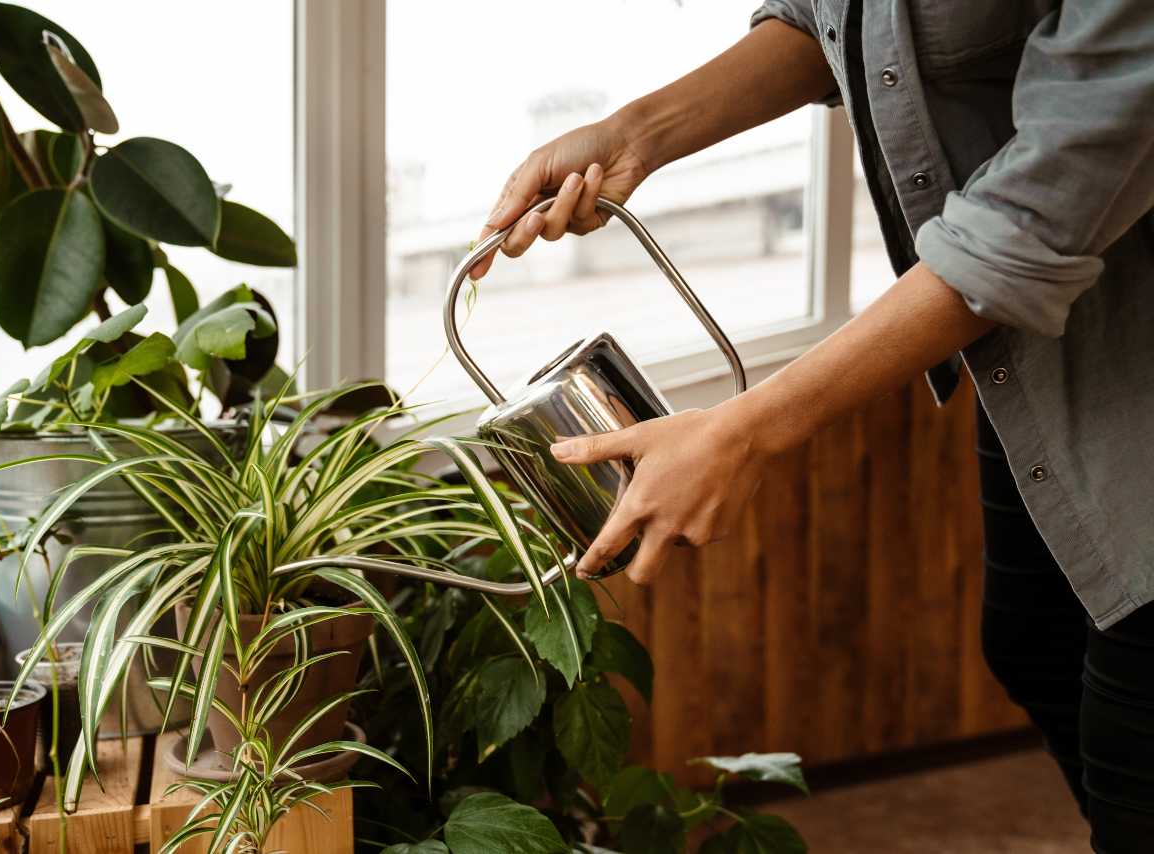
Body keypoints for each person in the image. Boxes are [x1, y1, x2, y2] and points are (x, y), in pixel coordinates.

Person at [472, 3, 1154, 851]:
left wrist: (746, 431)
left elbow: (1041, 207)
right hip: (1046, 362)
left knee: (1137, 742)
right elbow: (840, 16)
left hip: (1126, 348)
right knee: (1031, 643)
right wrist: (634, 134)